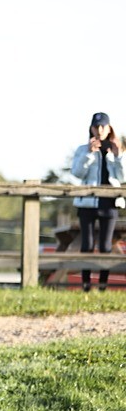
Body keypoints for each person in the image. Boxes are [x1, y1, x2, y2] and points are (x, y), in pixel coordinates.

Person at [71, 112, 125, 291]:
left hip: (109, 204)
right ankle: (86, 284)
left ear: (109, 128)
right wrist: (88, 153)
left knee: (105, 246)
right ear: (91, 129)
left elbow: (122, 177)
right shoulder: (82, 149)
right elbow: (77, 173)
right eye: (96, 127)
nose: (100, 130)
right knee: (87, 244)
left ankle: (103, 284)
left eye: (103, 126)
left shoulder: (117, 149)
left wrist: (118, 156)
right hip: (87, 203)